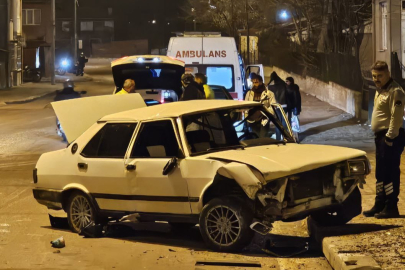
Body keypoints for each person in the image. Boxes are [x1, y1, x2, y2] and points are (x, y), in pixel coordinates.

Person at [363, 61, 405, 219]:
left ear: (387, 73)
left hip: (390, 137)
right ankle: (379, 203)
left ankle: (391, 206)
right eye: (374, 76)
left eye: (380, 75)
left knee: (390, 172)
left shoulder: (396, 91)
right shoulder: (381, 90)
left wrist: (389, 137)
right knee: (380, 173)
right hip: (381, 137)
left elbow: (396, 116)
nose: (376, 79)